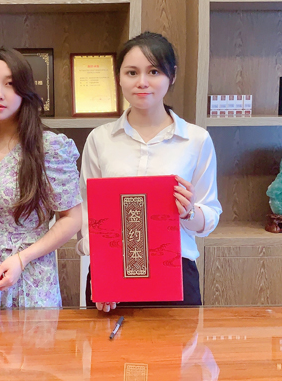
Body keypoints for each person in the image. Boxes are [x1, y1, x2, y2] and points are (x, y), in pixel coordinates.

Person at [78, 32, 222, 311]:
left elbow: (210, 215)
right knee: (108, 342)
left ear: (172, 76)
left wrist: (189, 211)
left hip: (176, 274)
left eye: (154, 71)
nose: (142, 82)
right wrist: (103, 275)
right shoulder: (100, 139)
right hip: (112, 273)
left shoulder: (196, 140)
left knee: (177, 342)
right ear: (119, 78)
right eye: (132, 72)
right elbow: (88, 214)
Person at [0, 47, 82, 308]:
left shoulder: (49, 147)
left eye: (10, 84)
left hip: (30, 276)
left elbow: (72, 218)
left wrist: (22, 258)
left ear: (25, 90)